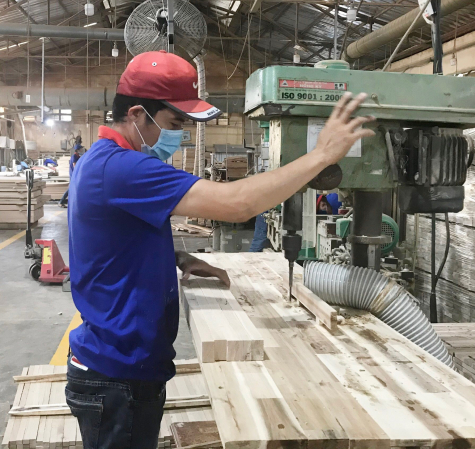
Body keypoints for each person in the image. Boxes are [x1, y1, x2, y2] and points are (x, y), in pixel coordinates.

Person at [66, 50, 373, 449]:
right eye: (174, 123)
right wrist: (321, 156)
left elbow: (112, 240)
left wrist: (177, 258)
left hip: (123, 369)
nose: (180, 135)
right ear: (138, 114)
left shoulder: (103, 162)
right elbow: (237, 204)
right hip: (116, 376)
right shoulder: (123, 168)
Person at [59, 144, 83, 208]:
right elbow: (74, 165)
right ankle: (61, 201)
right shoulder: (74, 156)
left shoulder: (78, 156)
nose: (82, 150)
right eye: (81, 149)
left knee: (74, 188)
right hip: (73, 174)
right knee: (70, 189)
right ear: (78, 150)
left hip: (76, 174)